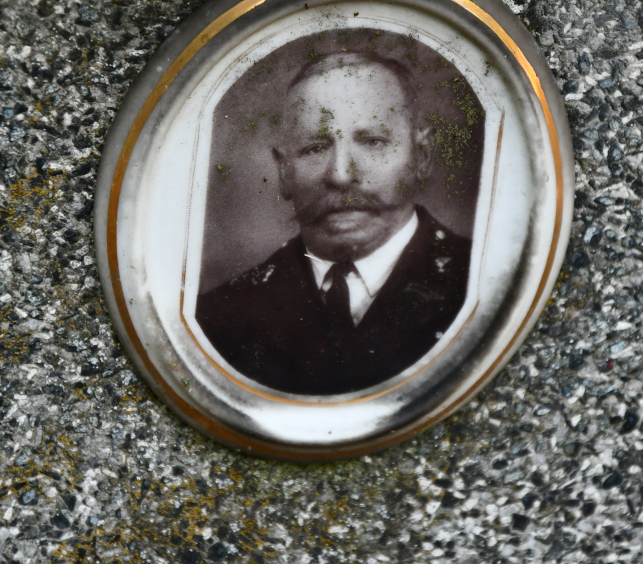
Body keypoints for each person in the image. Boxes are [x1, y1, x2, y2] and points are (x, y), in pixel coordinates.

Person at [196, 51, 471, 395]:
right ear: (283, 171)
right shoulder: (218, 316)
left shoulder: (481, 281)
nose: (340, 175)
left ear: (422, 157)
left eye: (372, 142)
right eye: (314, 148)